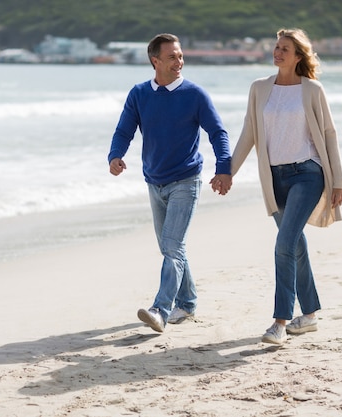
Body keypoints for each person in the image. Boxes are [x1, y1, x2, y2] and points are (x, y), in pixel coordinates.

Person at [216, 28, 342, 344]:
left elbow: (328, 134)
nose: (278, 52)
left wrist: (338, 181)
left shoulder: (312, 90)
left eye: (285, 48)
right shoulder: (260, 88)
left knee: (284, 243)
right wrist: (228, 172)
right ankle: (310, 314)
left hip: (308, 174)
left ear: (298, 56)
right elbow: (249, 132)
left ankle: (280, 322)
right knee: (295, 244)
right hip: (273, 178)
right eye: (276, 47)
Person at [108, 33, 232, 333]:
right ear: (156, 61)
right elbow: (124, 130)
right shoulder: (139, 94)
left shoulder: (195, 95)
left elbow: (218, 132)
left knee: (172, 246)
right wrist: (115, 155)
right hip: (154, 181)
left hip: (186, 180)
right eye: (172, 56)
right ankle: (187, 302)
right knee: (170, 247)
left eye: (180, 55)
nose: (179, 61)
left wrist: (224, 168)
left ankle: (160, 309)